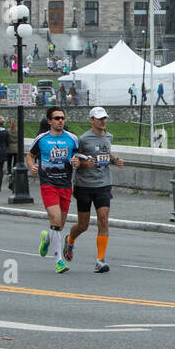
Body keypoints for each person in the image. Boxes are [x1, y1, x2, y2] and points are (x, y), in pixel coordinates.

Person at [28, 107, 86, 273]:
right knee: (55, 218)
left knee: (59, 225)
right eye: (56, 118)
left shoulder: (72, 139)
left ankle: (47, 238)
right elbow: (30, 155)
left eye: (62, 118)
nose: (60, 121)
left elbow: (77, 157)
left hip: (66, 185)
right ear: (49, 121)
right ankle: (59, 261)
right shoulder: (42, 139)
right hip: (48, 184)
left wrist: (77, 163)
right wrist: (32, 167)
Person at [68, 106, 123, 273]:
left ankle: (100, 260)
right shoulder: (83, 139)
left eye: (105, 118)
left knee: (103, 219)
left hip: (103, 184)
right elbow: (76, 161)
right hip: (84, 185)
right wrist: (85, 164)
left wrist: (115, 160)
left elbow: (106, 153)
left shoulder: (109, 136)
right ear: (92, 120)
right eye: (99, 119)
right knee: (83, 225)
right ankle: (70, 240)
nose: (103, 121)